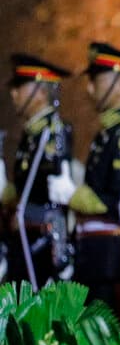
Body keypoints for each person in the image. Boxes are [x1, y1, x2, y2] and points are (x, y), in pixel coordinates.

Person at [46, 42, 120, 333]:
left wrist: (73, 194)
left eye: (97, 80)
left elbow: (117, 200)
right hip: (94, 258)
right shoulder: (108, 132)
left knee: (114, 339)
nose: (90, 89)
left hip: (114, 258)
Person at [4, 54, 73, 287]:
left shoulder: (52, 133)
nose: (13, 94)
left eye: (20, 87)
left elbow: (51, 195)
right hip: (25, 243)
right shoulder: (32, 134)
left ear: (41, 92)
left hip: (43, 246)